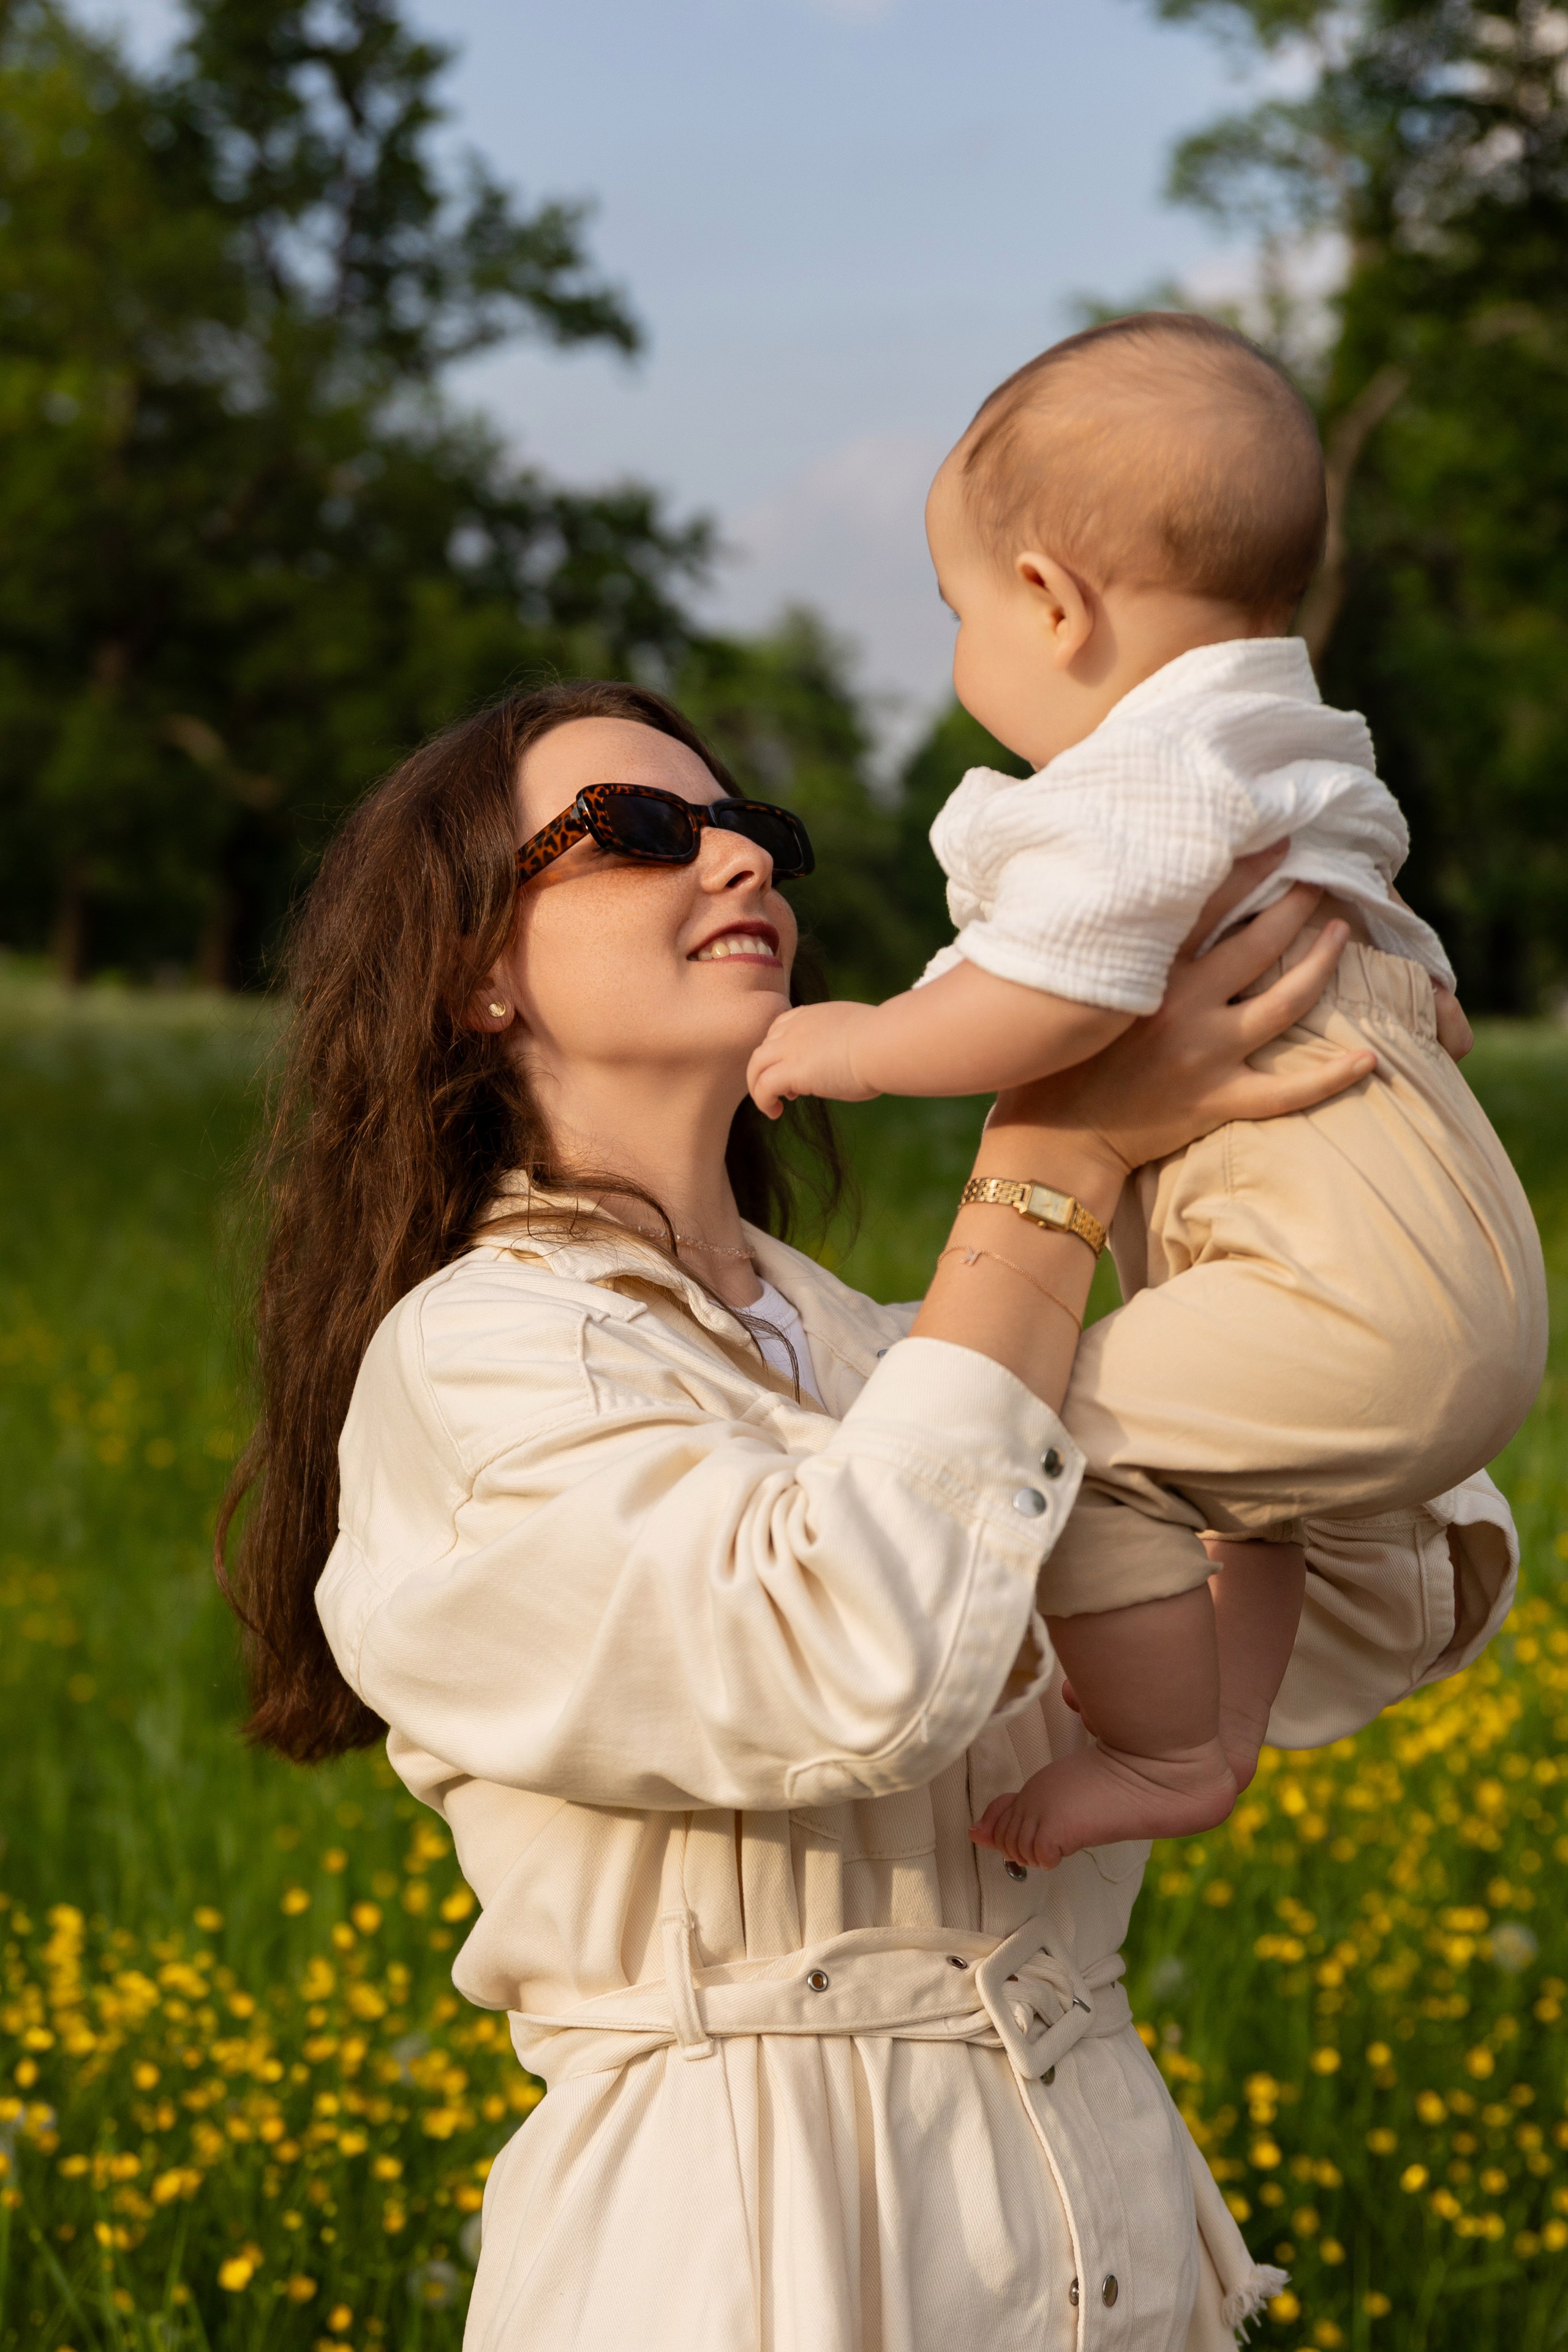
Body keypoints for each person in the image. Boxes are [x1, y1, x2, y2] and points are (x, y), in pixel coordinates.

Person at [219, 679, 1518, 2352]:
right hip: (744, 2259)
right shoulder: (474, 1365)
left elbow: (1359, 1618)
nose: (741, 860)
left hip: (1100, 2231)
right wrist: (1055, 1153)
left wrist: (1289, 1165)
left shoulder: (908, 1355)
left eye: (759, 830)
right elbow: (842, 1651)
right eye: (641, 830)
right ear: (473, 968)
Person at [745, 313, 1546, 1873]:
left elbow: (1052, 1001)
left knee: (1056, 1440)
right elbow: (1388, 942)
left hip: (1340, 1279)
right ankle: (1217, 1736)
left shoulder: (1139, 782)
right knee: (1241, 1497)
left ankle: (1169, 1747)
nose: (959, 653)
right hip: (1453, 1257)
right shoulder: (1284, 744)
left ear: (1048, 601)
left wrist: (842, 1042)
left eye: (954, 613)